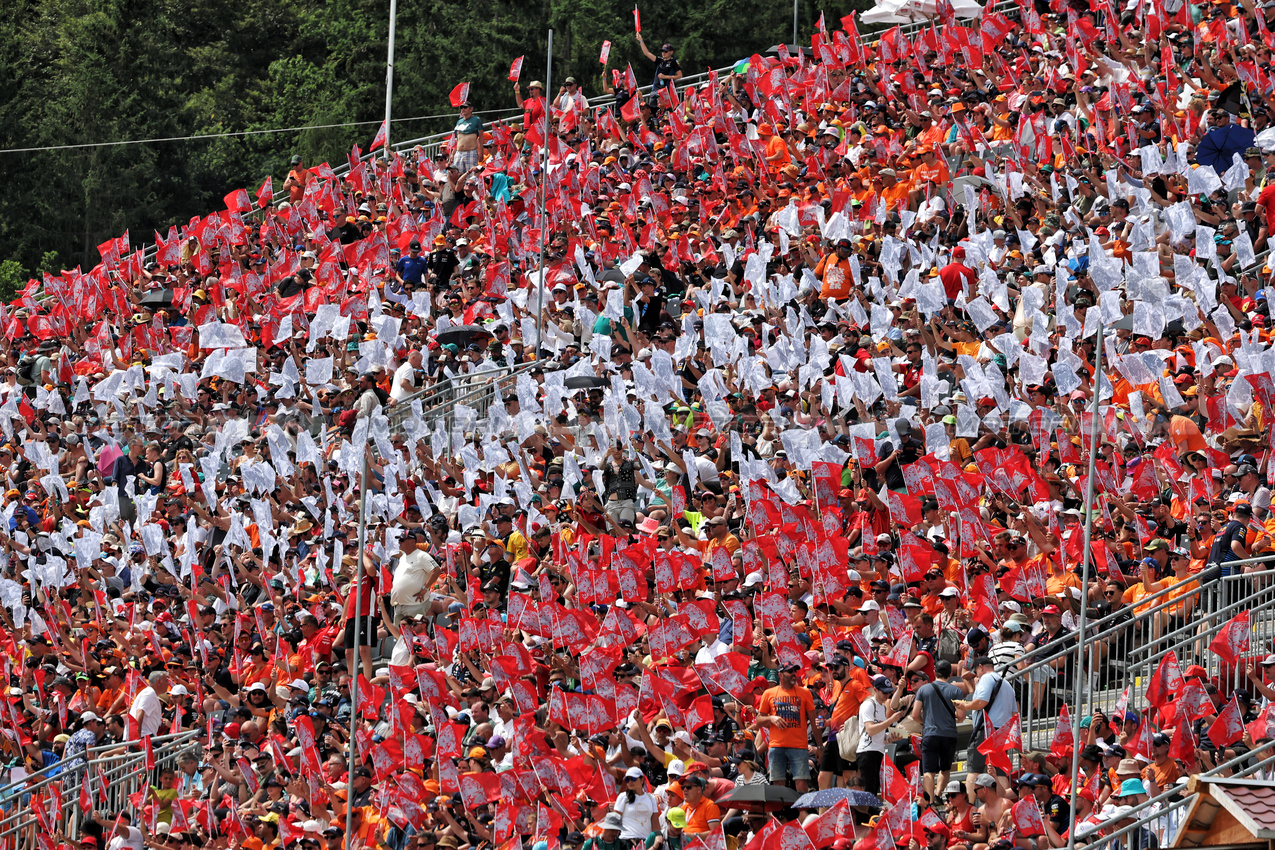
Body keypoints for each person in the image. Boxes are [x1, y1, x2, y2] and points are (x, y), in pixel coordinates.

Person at [911, 659, 966, 805]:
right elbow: (961, 716)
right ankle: (937, 794)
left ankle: (928, 801)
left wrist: (925, 722)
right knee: (945, 768)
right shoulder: (956, 691)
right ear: (950, 673)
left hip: (930, 733)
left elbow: (915, 715)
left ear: (935, 672)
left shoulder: (924, 689)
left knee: (929, 770)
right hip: (949, 734)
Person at [755, 662, 816, 791]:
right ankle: (781, 810)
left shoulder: (805, 692)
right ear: (780, 675)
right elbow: (759, 720)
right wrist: (772, 718)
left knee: (801, 781)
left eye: (795, 671)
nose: (794, 674)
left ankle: (803, 811)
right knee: (777, 781)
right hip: (777, 745)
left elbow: (814, 720)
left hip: (799, 745)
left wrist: (820, 746)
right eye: (790, 671)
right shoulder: (769, 693)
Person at [452, 103, 483, 172]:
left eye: (465, 107)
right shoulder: (459, 121)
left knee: (471, 175)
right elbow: (458, 139)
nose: (463, 109)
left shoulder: (476, 119)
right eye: (462, 107)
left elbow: (481, 136)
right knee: (458, 174)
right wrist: (453, 153)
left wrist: (481, 152)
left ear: (471, 109)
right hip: (459, 152)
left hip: (471, 151)